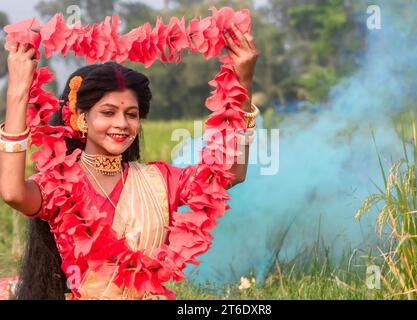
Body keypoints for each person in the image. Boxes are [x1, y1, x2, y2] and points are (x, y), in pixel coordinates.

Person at [0, 24, 260, 300]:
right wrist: (18, 92)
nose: (122, 124)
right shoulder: (60, 186)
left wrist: (242, 83)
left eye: (132, 114)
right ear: (83, 118)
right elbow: (13, 192)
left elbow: (230, 172)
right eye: (108, 112)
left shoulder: (159, 181)